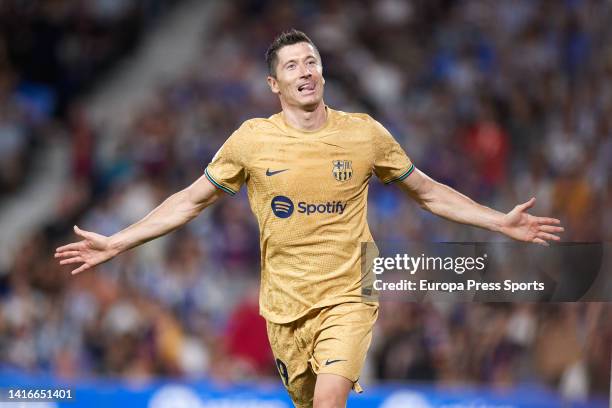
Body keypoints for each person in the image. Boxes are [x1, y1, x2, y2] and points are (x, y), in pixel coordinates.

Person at [55, 30, 564, 408]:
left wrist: (499, 221)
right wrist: (119, 241)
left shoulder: (365, 134)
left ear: (323, 72)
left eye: (312, 62)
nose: (305, 71)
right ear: (273, 82)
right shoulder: (252, 140)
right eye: (293, 65)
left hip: (348, 296)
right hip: (283, 310)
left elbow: (427, 193)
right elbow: (189, 200)